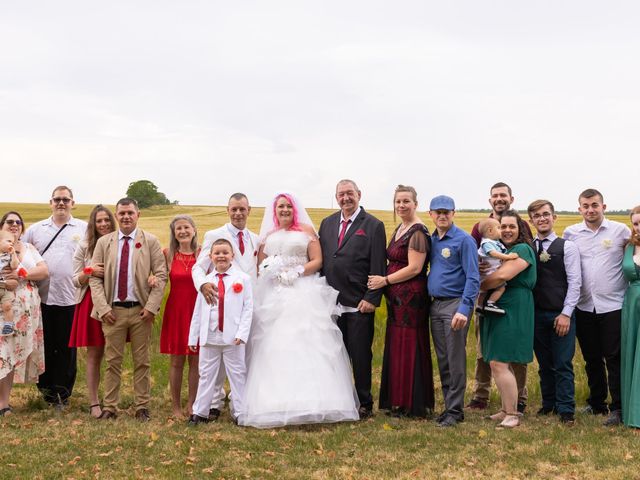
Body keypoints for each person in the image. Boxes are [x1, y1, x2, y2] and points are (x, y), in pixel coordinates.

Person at [240, 192, 359, 428]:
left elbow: (317, 261)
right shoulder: (269, 236)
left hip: (303, 290)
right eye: (280, 207)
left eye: (288, 206)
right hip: (275, 293)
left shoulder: (306, 231)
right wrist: (271, 273)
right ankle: (273, 401)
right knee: (275, 343)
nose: (284, 210)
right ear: (274, 210)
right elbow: (261, 264)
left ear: (295, 208)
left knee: (308, 340)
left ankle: (317, 400)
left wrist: (296, 272)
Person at [89, 197, 167, 421]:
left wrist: (151, 307)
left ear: (138, 215)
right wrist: (103, 308)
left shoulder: (150, 241)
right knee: (113, 361)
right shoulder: (105, 243)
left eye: (130, 213)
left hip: (141, 311)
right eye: (121, 213)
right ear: (116, 215)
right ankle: (110, 407)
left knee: (142, 361)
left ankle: (142, 406)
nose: (126, 217)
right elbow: (95, 278)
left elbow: (161, 276)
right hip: (112, 312)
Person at [318, 179, 387, 419]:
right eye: (341, 194)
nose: (345, 198)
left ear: (359, 194)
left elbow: (378, 265)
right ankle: (340, 399)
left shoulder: (373, 225)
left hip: (359, 303)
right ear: (336, 197)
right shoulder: (326, 223)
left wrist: (371, 298)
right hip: (331, 303)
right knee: (334, 355)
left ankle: (365, 402)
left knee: (360, 355)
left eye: (350, 193)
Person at [564, 189, 631, 426]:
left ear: (604, 206)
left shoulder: (620, 231)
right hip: (584, 306)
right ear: (579, 208)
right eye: (585, 206)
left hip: (613, 304)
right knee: (591, 357)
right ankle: (597, 402)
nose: (590, 209)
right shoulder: (571, 233)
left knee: (613, 357)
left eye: (595, 205)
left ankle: (619, 407)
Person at [368, 185, 434, 418]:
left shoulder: (417, 231)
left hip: (411, 297)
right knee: (397, 344)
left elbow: (415, 268)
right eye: (398, 202)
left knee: (409, 344)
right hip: (397, 298)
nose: (401, 205)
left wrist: (384, 280)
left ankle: (412, 402)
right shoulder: (401, 227)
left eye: (406, 201)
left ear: (416, 204)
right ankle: (398, 399)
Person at [192, 193, 259, 420]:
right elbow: (198, 268)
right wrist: (203, 285)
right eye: (234, 209)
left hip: (244, 303)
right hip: (216, 299)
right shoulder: (214, 236)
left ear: (249, 210)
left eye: (242, 209)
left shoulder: (255, 239)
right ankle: (213, 404)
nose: (238, 213)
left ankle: (241, 407)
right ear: (227, 211)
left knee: (240, 362)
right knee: (212, 365)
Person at [468, 182, 531, 412]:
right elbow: (471, 254)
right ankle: (480, 395)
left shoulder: (520, 225)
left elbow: (524, 254)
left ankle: (519, 398)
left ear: (511, 199)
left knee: (515, 351)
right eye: (495, 196)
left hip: (509, 291)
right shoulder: (481, 227)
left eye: (503, 195)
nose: (499, 199)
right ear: (490, 200)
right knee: (484, 348)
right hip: (486, 293)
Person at [23, 185, 87, 408]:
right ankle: (47, 392)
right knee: (46, 345)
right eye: (57, 199)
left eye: (66, 200)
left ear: (73, 203)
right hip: (42, 298)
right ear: (50, 202)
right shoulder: (36, 229)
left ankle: (64, 392)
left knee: (68, 348)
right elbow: (21, 254)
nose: (61, 203)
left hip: (72, 297)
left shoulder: (83, 228)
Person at [427, 195, 480, 427]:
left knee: (455, 357)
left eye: (446, 212)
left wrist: (464, 308)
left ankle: (456, 410)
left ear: (453, 213)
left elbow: (473, 276)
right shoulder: (432, 240)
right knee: (443, 357)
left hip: (455, 304)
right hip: (435, 304)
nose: (442, 215)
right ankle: (449, 406)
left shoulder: (464, 240)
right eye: (437, 212)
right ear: (430, 215)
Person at [188, 238, 253, 425]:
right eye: (217, 253)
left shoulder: (243, 279)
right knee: (207, 374)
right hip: (210, 335)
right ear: (210, 257)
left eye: (225, 252)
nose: (221, 256)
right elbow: (198, 311)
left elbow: (248, 309)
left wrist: (242, 333)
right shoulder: (206, 282)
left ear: (232, 255)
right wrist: (194, 337)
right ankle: (200, 411)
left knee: (237, 374)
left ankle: (240, 412)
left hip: (233, 337)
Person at [527, 200, 581, 424]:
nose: (542, 218)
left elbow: (575, 282)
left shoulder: (566, 246)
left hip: (560, 313)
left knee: (562, 363)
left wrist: (566, 313)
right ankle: (548, 403)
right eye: (537, 216)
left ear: (554, 217)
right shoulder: (528, 247)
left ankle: (566, 408)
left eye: (546, 214)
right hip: (536, 314)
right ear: (531, 221)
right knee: (544, 363)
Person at [481, 210, 536, 428]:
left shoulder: (522, 249)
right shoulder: (504, 250)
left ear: (520, 228)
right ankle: (505, 408)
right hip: (499, 305)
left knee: (500, 360)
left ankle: (513, 413)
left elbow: (502, 276)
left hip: (514, 305)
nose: (506, 230)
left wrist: (479, 284)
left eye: (511, 226)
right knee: (497, 359)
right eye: (503, 226)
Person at [69, 205, 116, 418]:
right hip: (91, 303)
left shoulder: (119, 241)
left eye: (107, 220)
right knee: (95, 353)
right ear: (93, 224)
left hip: (117, 302)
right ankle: (94, 402)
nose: (104, 224)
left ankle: (111, 401)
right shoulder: (85, 246)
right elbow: (74, 279)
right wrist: (90, 271)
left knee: (115, 355)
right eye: (99, 221)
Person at [0, 211, 49, 416]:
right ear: (1, 226)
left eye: (18, 222)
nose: (14, 225)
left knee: (11, 355)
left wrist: (22, 274)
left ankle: (4, 402)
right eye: (9, 222)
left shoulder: (29, 248)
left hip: (27, 312)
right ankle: (2, 403)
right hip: (4, 306)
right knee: (2, 353)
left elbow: (44, 271)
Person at [160, 215, 200, 418]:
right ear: (174, 233)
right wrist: (151, 278)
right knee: (177, 361)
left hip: (197, 311)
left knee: (195, 360)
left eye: (186, 227)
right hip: (176, 310)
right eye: (178, 229)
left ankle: (192, 404)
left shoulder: (203, 255)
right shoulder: (167, 254)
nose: (183, 231)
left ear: (194, 230)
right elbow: (157, 277)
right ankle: (175, 406)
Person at [476, 218, 518, 315]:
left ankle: (480, 307)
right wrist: (508, 257)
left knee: (483, 291)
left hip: (491, 271)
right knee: (501, 287)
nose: (501, 231)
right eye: (499, 228)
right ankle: (490, 303)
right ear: (490, 231)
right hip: (489, 272)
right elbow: (493, 254)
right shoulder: (487, 243)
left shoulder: (495, 242)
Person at [622, 206, 640, 427]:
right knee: (631, 356)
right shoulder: (628, 247)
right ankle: (633, 413)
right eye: (636, 223)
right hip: (632, 305)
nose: (639, 227)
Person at [0, 231, 20, 335]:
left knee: (7, 306)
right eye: (8, 241)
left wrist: (13, 255)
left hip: (6, 287)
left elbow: (14, 266)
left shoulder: (9, 256)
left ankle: (9, 324)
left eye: (12, 242)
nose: (11, 244)